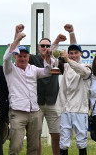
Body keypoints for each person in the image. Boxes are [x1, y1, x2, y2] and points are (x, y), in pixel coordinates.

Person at [3, 25, 54, 155]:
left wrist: (48, 59)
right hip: (18, 112)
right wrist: (16, 38)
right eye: (20, 56)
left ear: (28, 57)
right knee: (15, 146)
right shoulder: (10, 69)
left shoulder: (33, 69)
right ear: (15, 56)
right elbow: (6, 58)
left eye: (25, 56)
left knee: (33, 148)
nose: (23, 58)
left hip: (35, 112)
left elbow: (48, 72)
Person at [24, 25, 66, 154]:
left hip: (54, 102)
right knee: (35, 136)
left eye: (48, 46)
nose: (45, 48)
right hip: (36, 103)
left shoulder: (56, 61)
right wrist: (56, 41)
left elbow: (50, 54)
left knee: (56, 135)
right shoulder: (32, 59)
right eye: (43, 46)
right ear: (38, 47)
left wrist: (56, 43)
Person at [54, 24, 92, 155]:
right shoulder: (65, 67)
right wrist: (68, 35)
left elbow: (80, 69)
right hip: (65, 109)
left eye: (76, 52)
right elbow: (52, 55)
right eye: (71, 53)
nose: (73, 55)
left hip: (80, 110)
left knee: (81, 141)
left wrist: (68, 59)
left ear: (81, 54)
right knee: (64, 142)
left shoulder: (87, 67)